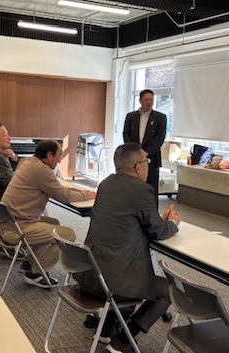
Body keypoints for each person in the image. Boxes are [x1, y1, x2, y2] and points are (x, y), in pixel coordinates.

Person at [75, 142, 181, 353]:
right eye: (147, 161)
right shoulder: (143, 190)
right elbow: (158, 232)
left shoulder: (105, 184)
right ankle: (123, 340)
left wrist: (158, 220)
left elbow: (126, 222)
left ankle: (106, 331)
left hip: (90, 277)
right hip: (113, 285)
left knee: (122, 266)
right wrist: (172, 223)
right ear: (138, 167)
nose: (148, 165)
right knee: (169, 290)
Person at [0, 139, 96, 288]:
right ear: (49, 155)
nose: (59, 160)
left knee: (54, 223)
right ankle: (36, 273)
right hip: (16, 228)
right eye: (58, 156)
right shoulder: (41, 170)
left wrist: (81, 191)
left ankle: (30, 263)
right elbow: (63, 195)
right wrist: (86, 195)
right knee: (67, 235)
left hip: (11, 221)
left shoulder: (28, 162)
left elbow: (57, 187)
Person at [123, 89, 167, 205]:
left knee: (151, 188)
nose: (149, 102)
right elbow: (126, 134)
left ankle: (152, 213)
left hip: (151, 158)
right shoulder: (131, 116)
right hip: (134, 158)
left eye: (151, 100)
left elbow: (160, 138)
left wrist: (146, 153)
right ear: (140, 101)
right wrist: (134, 152)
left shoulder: (160, 117)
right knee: (133, 187)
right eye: (146, 100)